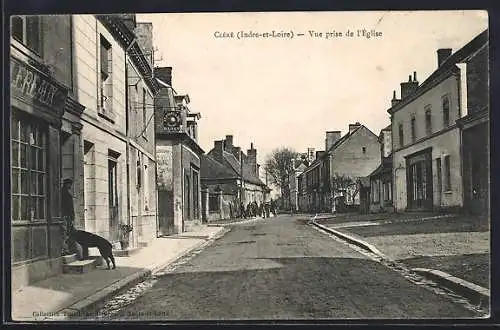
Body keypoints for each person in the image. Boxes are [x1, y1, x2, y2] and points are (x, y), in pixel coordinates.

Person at [61, 178, 76, 256]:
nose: (70, 186)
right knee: (65, 233)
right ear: (67, 184)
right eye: (69, 184)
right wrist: (72, 216)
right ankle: (64, 249)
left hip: (66, 216)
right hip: (66, 216)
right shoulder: (65, 194)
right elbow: (69, 207)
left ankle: (66, 249)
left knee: (67, 232)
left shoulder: (64, 193)